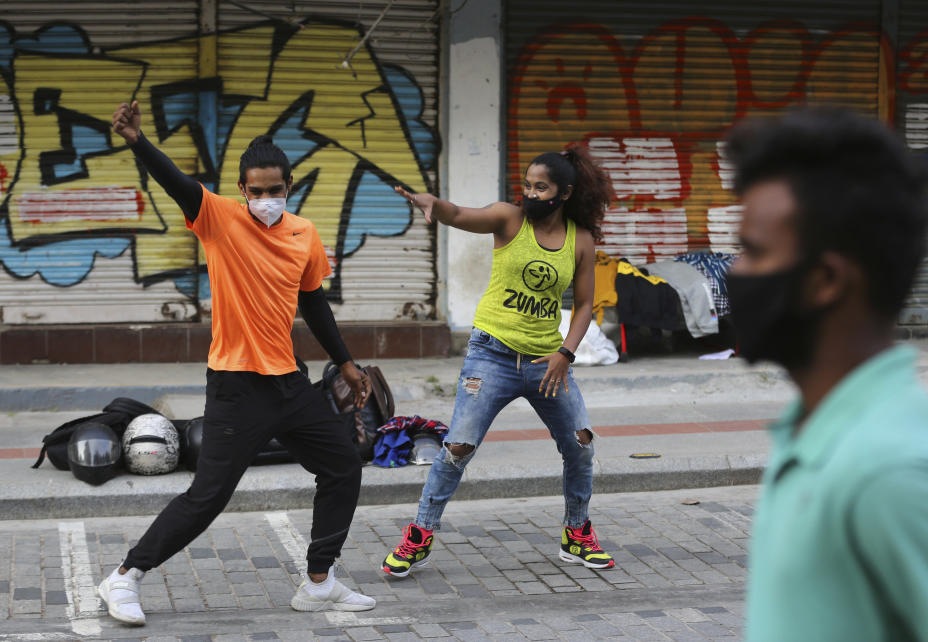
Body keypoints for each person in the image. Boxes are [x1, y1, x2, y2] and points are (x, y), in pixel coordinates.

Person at [98, 101, 376, 626]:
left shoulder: (304, 234)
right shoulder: (219, 220)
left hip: (290, 383)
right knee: (208, 496)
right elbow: (177, 182)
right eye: (257, 190)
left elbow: (314, 303)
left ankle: (319, 582)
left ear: (289, 185)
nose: (266, 199)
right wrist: (138, 140)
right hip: (235, 386)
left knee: (342, 463)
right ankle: (123, 577)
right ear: (242, 188)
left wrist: (346, 363)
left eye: (276, 190)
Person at [725, 107, 928, 641]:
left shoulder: (893, 472)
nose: (735, 273)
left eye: (752, 251)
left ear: (826, 280)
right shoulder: (815, 429)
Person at [382, 146, 617, 577]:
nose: (530, 192)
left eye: (540, 187)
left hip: (547, 363)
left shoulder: (580, 241)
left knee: (580, 445)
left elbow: (584, 304)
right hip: (490, 356)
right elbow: (460, 215)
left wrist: (566, 353)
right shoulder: (509, 219)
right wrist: (435, 204)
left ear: (563, 193)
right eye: (526, 184)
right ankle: (419, 534)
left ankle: (576, 533)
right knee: (457, 448)